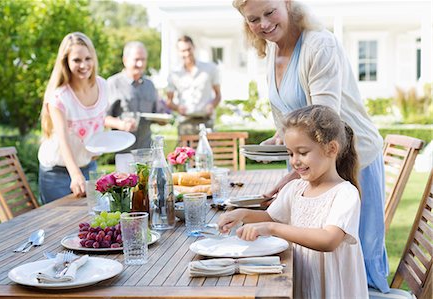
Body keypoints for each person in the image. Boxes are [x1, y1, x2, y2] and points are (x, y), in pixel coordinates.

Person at [232, 0, 389, 292]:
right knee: (311, 257)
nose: (264, 24)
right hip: (314, 164)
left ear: (288, 3)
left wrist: (295, 175)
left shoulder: (319, 46)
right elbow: (289, 117)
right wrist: (280, 139)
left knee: (355, 258)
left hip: (350, 161)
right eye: (254, 19)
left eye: (270, 12)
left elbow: (324, 120)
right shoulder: (272, 48)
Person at [218, 105, 368, 298]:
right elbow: (271, 216)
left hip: (332, 289)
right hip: (300, 276)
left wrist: (272, 228)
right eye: (290, 153)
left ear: (331, 149)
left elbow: (328, 240)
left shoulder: (345, 193)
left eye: (302, 152)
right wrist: (242, 214)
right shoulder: (295, 188)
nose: (294, 161)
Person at [38, 32, 108, 204]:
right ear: (66, 62)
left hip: (88, 167)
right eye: (76, 60)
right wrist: (75, 174)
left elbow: (97, 120)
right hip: (57, 173)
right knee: (59, 227)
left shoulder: (103, 85)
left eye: (88, 58)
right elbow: (63, 140)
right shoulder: (59, 97)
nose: (83, 65)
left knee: (92, 221)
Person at [105, 41, 164, 151]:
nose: (140, 64)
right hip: (123, 149)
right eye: (137, 59)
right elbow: (103, 118)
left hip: (146, 149)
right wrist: (121, 124)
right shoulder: (113, 83)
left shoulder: (150, 85)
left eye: (143, 59)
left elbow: (157, 113)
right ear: (125, 60)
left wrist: (163, 119)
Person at [166, 35, 222, 136]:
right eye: (183, 51)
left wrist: (212, 105)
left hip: (206, 122)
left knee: (206, 151)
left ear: (194, 47)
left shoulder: (210, 69)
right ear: (178, 52)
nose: (187, 53)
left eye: (189, 49)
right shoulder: (174, 74)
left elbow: (218, 95)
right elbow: (169, 101)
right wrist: (178, 108)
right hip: (185, 123)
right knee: (185, 152)